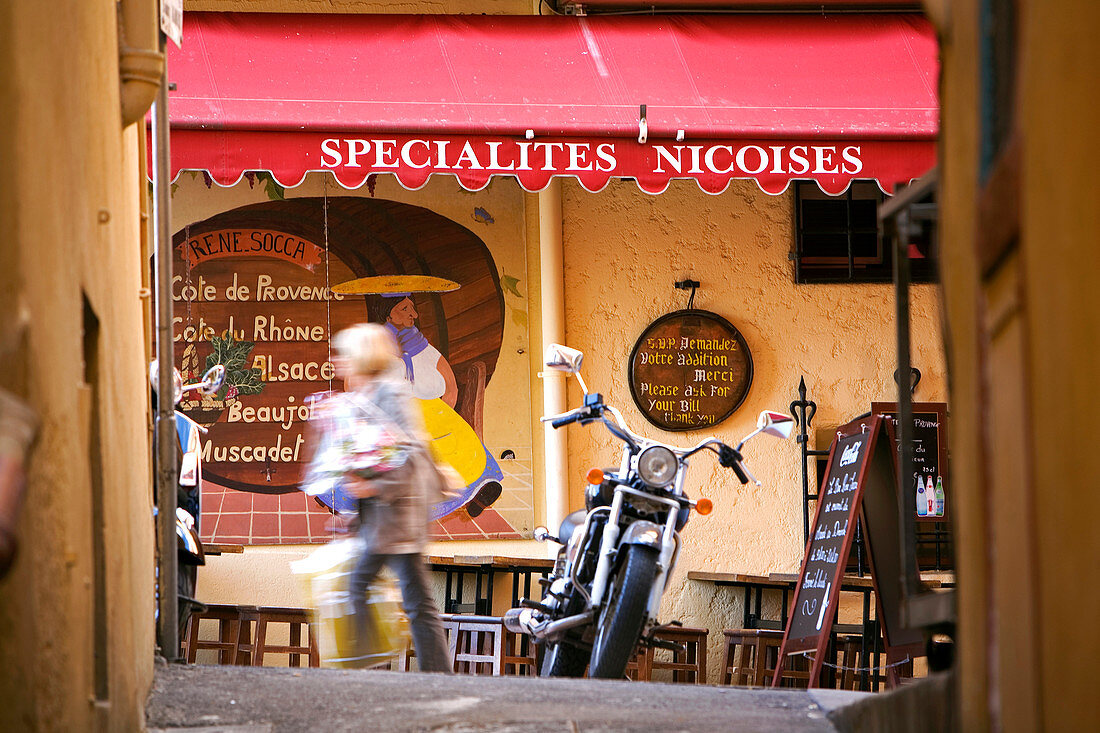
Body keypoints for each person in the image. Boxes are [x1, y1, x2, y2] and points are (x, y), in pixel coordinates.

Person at [328, 323, 452, 673]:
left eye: (343, 355)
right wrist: (357, 509)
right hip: (385, 520)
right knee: (412, 599)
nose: (336, 362)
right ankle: (430, 673)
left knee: (360, 588)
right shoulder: (363, 396)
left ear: (361, 357)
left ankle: (364, 669)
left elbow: (406, 453)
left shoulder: (390, 393)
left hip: (397, 519)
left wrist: (371, 488)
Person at [369, 293, 502, 519]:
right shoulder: (375, 347)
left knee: (457, 442)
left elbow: (450, 387)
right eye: (405, 308)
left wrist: (441, 416)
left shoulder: (422, 345)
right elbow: (357, 385)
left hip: (435, 412)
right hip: (393, 416)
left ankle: (479, 489)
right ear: (389, 313)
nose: (414, 314)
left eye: (413, 307)